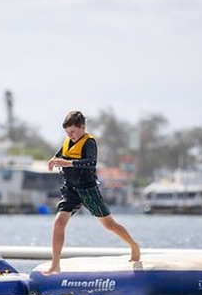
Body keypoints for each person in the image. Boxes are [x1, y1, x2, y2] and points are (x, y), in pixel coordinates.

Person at [45, 110, 140, 274]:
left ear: (82, 127)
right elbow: (61, 154)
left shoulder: (89, 142)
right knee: (58, 223)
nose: (70, 135)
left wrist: (67, 163)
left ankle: (133, 245)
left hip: (88, 189)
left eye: (73, 132)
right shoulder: (69, 140)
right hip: (70, 190)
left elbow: (90, 162)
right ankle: (55, 264)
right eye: (67, 133)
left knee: (109, 225)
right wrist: (54, 159)